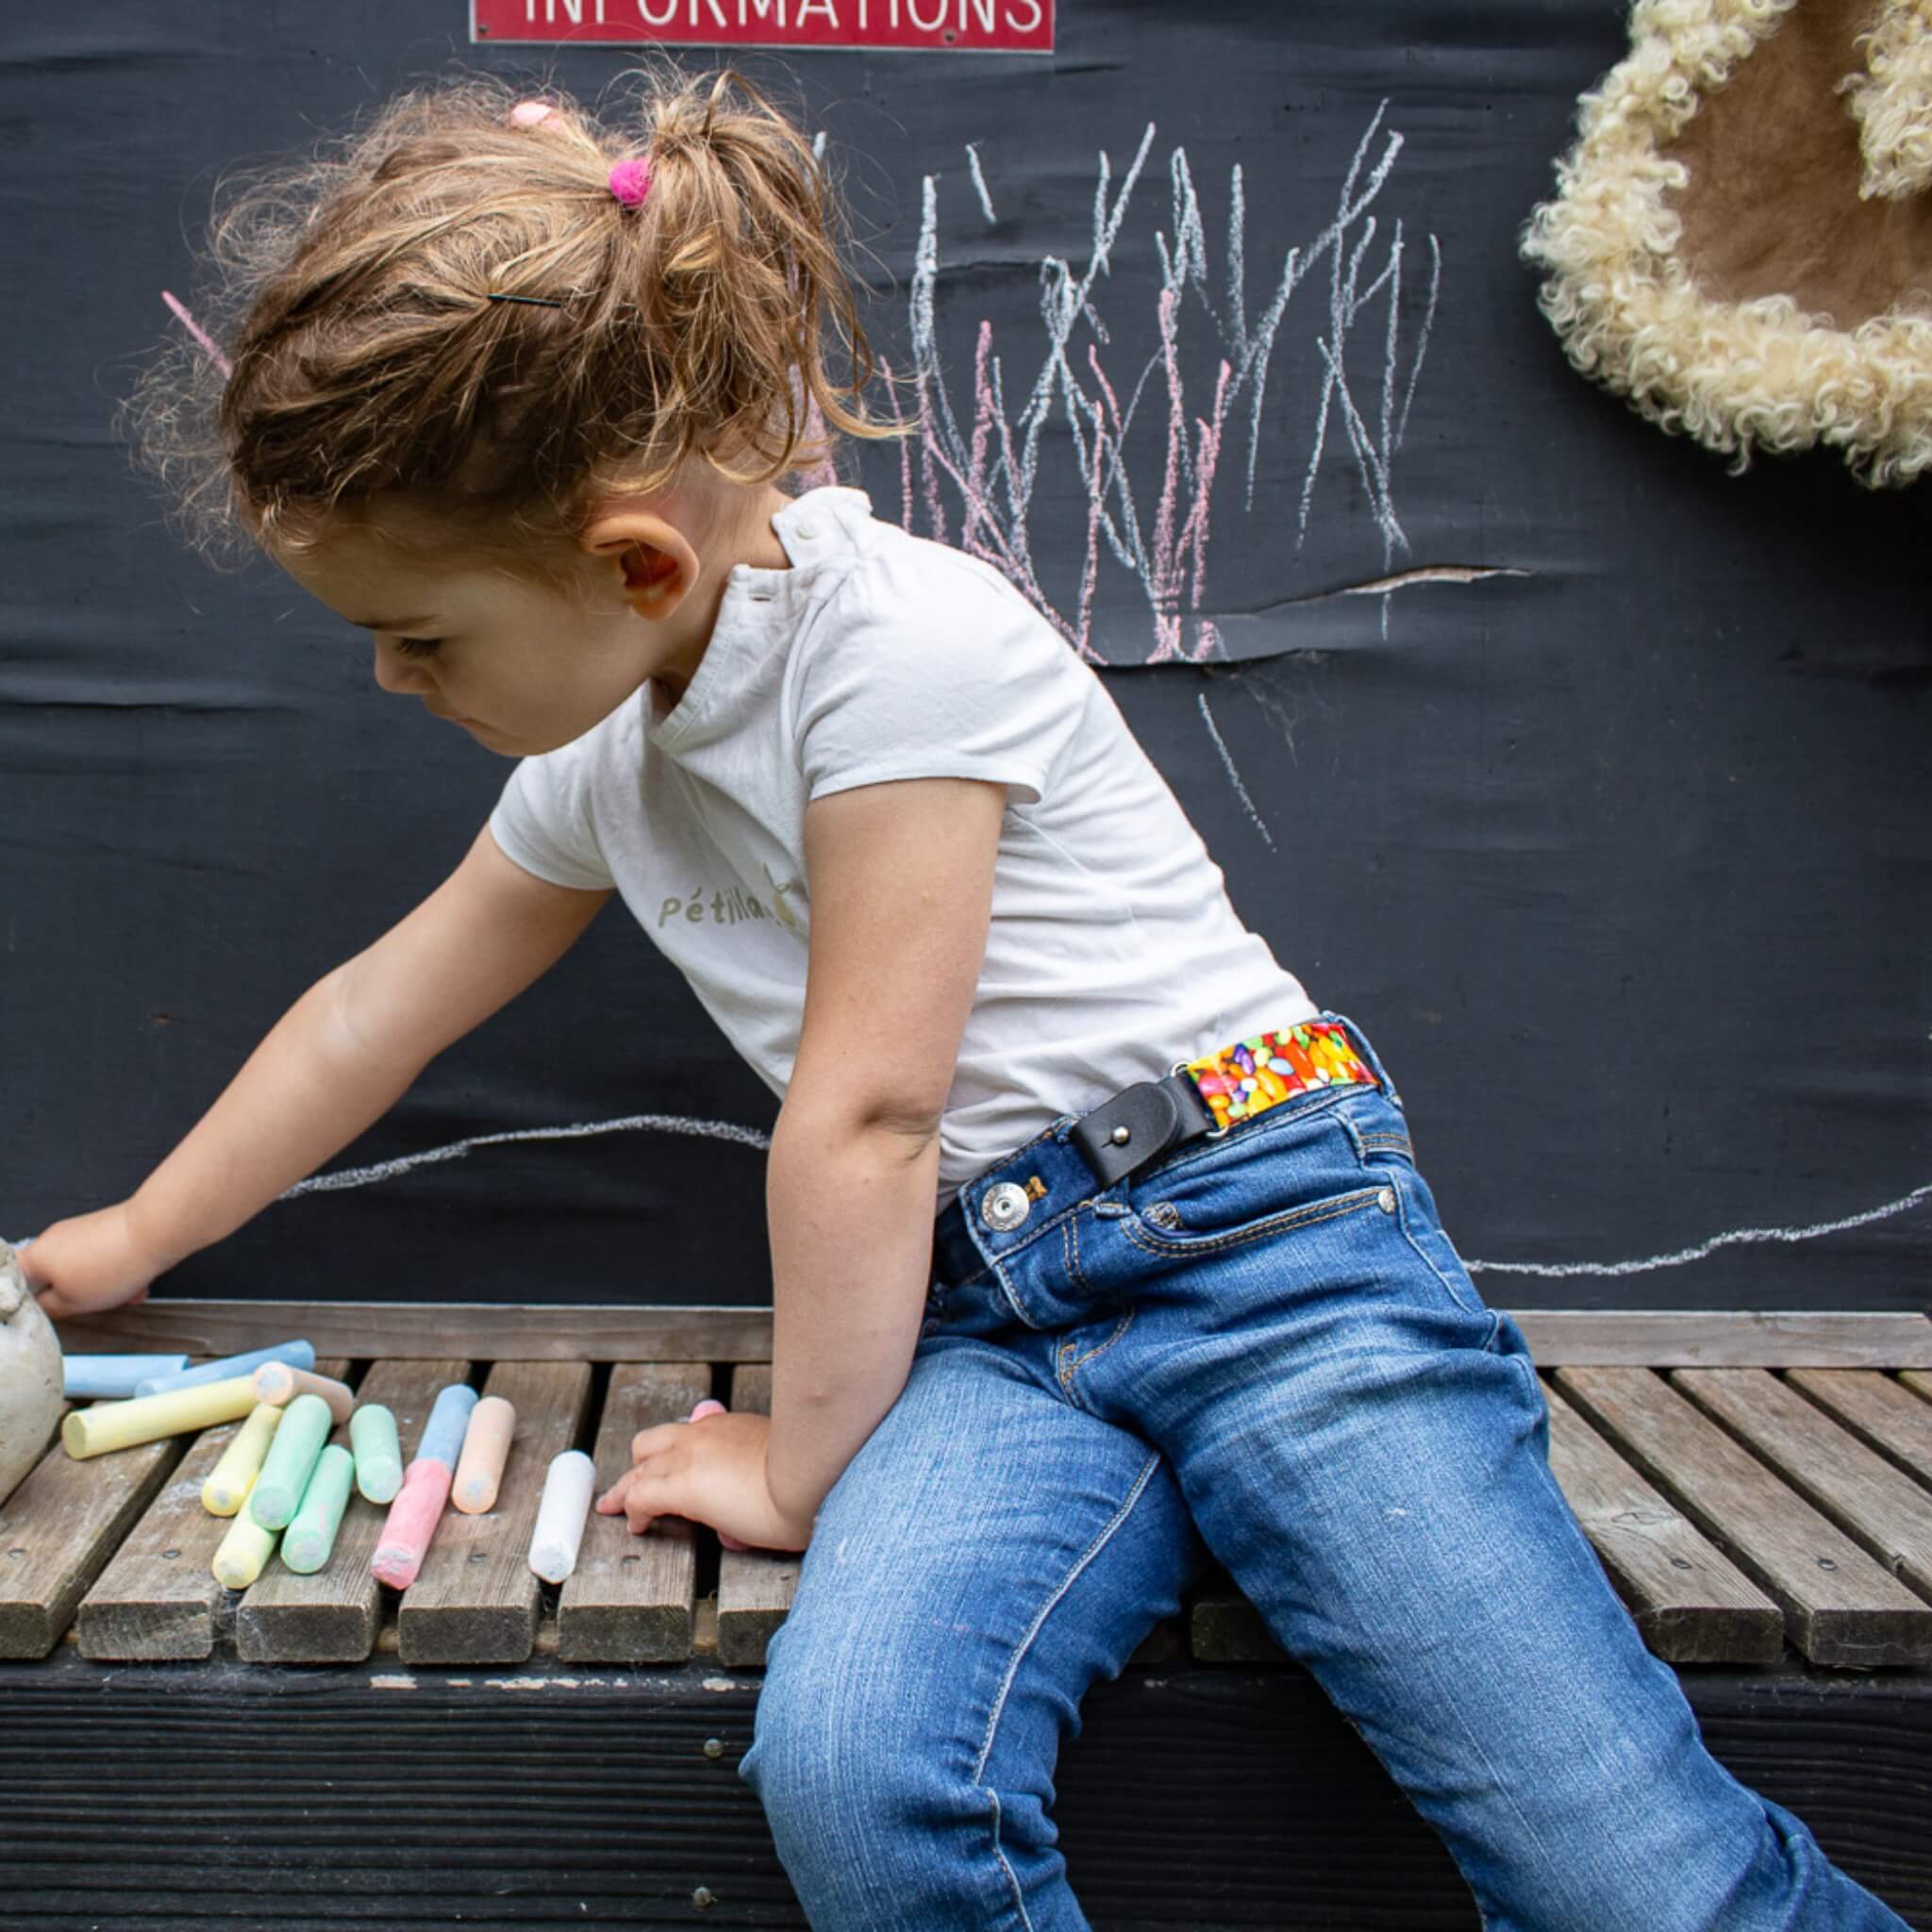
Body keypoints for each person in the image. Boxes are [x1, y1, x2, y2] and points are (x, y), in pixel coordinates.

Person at [22, 62, 1909, 1932]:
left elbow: (867, 1115)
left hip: (1268, 1250)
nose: (388, 684)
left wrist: (800, 1461)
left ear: (632, 562)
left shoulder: (902, 656)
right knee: (856, 1773)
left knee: (1621, 1872)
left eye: (418, 637)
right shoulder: (614, 752)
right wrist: (129, 1236)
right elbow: (377, 1007)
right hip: (999, 1333)